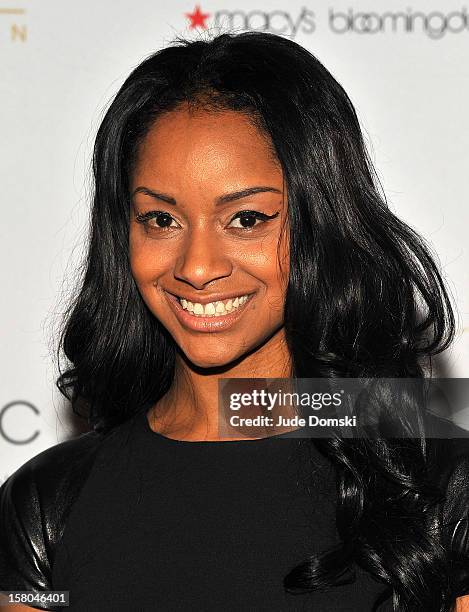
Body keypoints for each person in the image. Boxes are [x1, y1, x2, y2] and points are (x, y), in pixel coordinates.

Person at [1, 31, 469, 612]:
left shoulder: (435, 470)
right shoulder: (46, 504)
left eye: (247, 218)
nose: (197, 267)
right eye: (160, 219)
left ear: (322, 220)